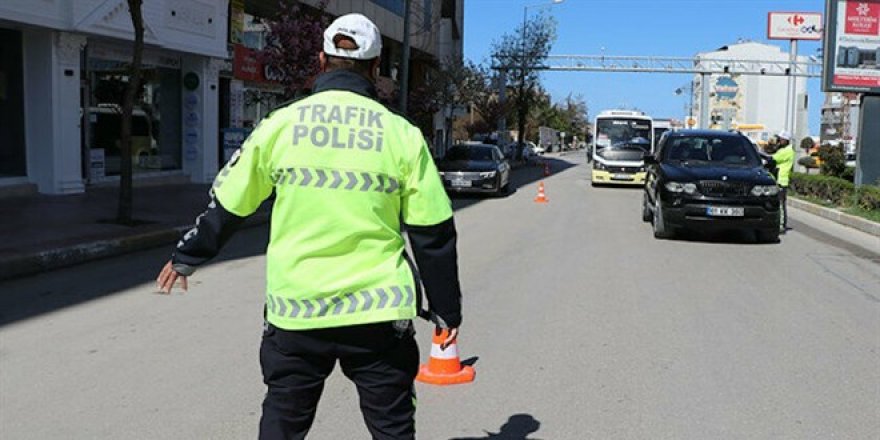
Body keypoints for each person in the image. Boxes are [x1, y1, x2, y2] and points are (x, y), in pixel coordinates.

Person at [155, 13, 463, 440]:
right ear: (376, 69)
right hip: (378, 316)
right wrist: (447, 310)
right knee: (392, 428)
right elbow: (433, 233)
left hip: (297, 313)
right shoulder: (402, 135)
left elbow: (230, 203)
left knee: (282, 425)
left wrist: (188, 255)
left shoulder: (279, 125)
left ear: (321, 59)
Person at [772, 130, 795, 233]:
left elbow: (772, 159)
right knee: (779, 204)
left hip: (781, 180)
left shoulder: (787, 151)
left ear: (786, 140)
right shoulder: (783, 150)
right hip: (778, 179)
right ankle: (780, 224)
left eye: (780, 139)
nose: (779, 140)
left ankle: (781, 225)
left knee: (781, 204)